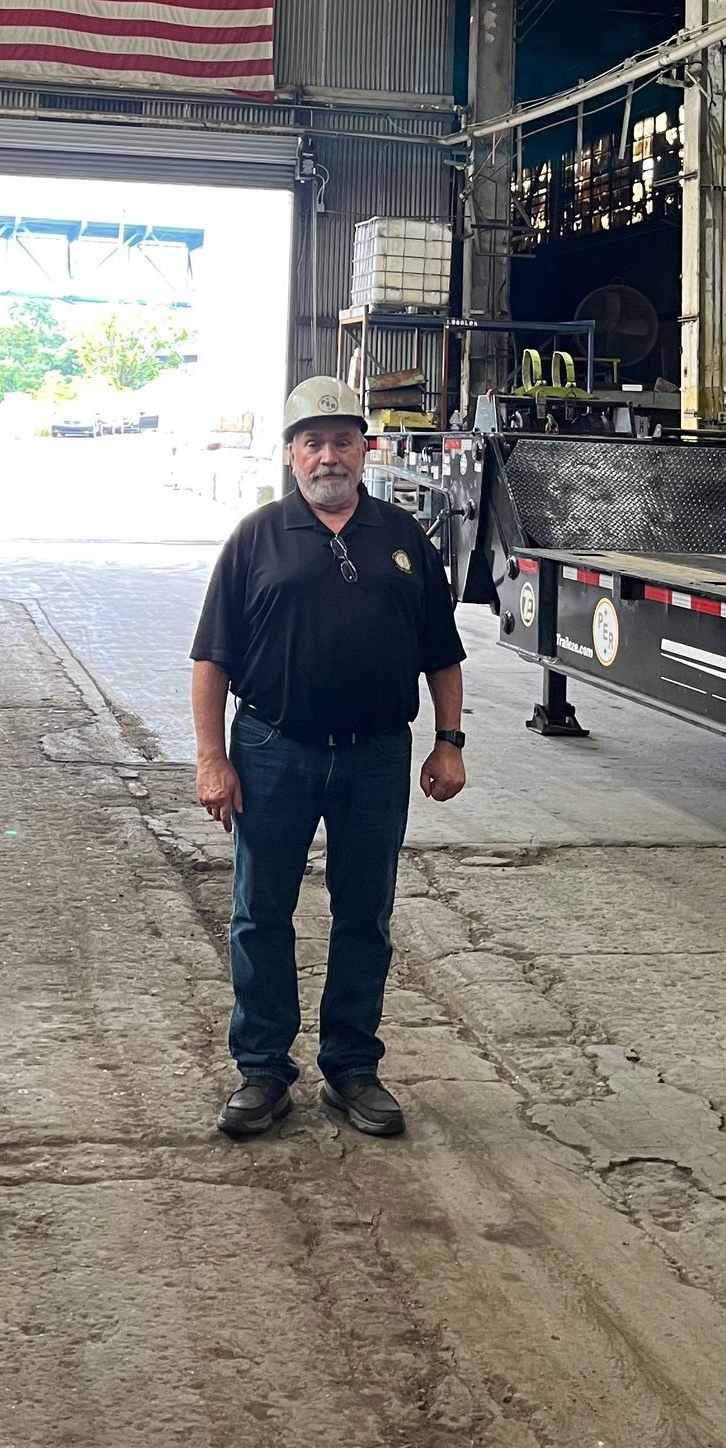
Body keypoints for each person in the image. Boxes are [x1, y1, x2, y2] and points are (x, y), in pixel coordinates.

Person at [189, 376, 467, 1141]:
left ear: (364, 449)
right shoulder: (256, 538)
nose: (328, 455)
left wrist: (450, 741)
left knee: (364, 915)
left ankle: (351, 1067)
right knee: (260, 914)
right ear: (291, 455)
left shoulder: (404, 539)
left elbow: (441, 652)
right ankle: (263, 1071)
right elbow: (211, 660)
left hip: (376, 756)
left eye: (343, 439)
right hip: (273, 749)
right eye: (312, 441)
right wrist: (213, 759)